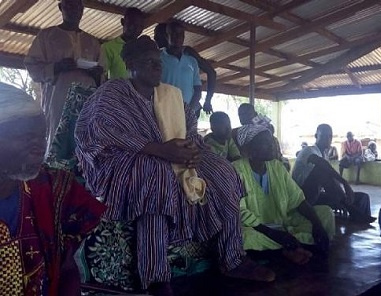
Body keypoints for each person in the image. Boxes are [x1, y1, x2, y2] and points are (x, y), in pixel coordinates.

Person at [75, 36, 275, 295]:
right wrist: (161, 150)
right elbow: (103, 130)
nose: (156, 66)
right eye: (148, 62)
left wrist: (192, 153)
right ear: (130, 64)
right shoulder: (114, 92)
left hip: (173, 155)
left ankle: (232, 258)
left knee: (223, 171)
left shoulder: (170, 96)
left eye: (157, 62)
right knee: (155, 174)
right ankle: (156, 276)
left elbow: (189, 130)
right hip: (123, 160)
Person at [0, 82, 105, 296]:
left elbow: (68, 264)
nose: (39, 147)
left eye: (42, 137)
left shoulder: (51, 187)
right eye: (26, 137)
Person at [233, 124, 334, 265]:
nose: (273, 146)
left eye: (272, 141)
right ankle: (287, 251)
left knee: (325, 213)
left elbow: (298, 199)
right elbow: (239, 211)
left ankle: (286, 249)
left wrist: (317, 225)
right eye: (266, 143)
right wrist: (273, 234)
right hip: (257, 229)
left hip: (283, 223)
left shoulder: (277, 167)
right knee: (243, 237)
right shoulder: (236, 170)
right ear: (251, 149)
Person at [24, 0, 102, 151]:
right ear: (61, 7)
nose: (74, 11)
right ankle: (56, 175)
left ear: (82, 9)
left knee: (85, 144)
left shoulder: (92, 42)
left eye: (78, 7)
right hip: (58, 102)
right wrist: (57, 67)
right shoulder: (46, 36)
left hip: (87, 102)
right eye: (69, 6)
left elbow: (102, 74)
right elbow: (32, 66)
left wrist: (96, 73)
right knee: (58, 145)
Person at [292, 124, 375, 223]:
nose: (327, 139)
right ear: (316, 136)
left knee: (362, 197)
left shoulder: (324, 155)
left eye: (330, 136)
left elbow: (328, 180)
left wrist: (341, 195)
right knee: (322, 170)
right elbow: (322, 164)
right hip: (302, 199)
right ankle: (348, 207)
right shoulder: (308, 150)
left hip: (316, 196)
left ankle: (357, 218)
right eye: (323, 136)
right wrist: (344, 182)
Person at [154, 23, 216, 114]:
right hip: (166, 111)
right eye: (155, 36)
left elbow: (211, 73)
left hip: (191, 109)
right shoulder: (157, 57)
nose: (155, 39)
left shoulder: (189, 55)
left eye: (157, 36)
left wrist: (207, 101)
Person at [159, 21, 202, 115]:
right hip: (166, 112)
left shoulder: (192, 61)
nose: (177, 37)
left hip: (188, 113)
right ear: (167, 36)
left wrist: (189, 112)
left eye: (180, 34)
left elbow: (198, 89)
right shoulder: (158, 58)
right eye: (173, 34)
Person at [100, 7, 145, 79]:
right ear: (122, 22)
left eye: (139, 26)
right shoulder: (108, 47)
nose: (135, 29)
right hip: (117, 90)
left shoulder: (144, 49)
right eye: (131, 24)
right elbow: (101, 75)